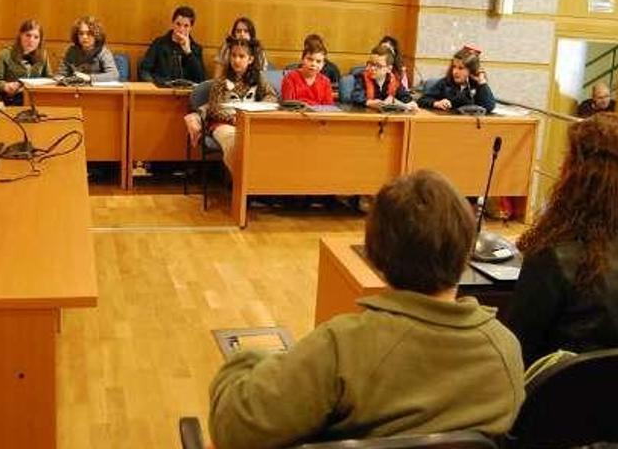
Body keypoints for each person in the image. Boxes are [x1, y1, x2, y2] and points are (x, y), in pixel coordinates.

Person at [208, 170, 524, 449]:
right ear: (468, 249)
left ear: (374, 255)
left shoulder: (343, 346)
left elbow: (233, 430)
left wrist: (245, 362)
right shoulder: (505, 351)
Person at [505, 112, 618, 367]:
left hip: (556, 404)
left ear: (580, 177)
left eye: (567, 160)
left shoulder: (554, 257)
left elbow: (515, 355)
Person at [205, 37, 277, 170]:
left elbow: (272, 96)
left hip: (249, 122)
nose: (236, 60)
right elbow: (213, 109)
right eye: (233, 56)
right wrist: (234, 119)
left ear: (250, 59)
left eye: (241, 56)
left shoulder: (258, 79)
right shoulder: (221, 81)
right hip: (225, 124)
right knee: (236, 143)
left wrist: (259, 108)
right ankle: (241, 183)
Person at [0, 19, 52, 105]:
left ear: (40, 40)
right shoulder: (4, 55)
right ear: (20, 36)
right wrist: (5, 86)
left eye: (36, 37)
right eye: (28, 35)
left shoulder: (43, 55)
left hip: (34, 101)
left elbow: (49, 78)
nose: (31, 40)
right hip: (9, 102)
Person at [417, 47, 495, 114]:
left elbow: (489, 107)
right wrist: (436, 103)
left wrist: (482, 82)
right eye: (454, 67)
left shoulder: (478, 87)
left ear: (471, 70)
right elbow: (422, 100)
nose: (455, 71)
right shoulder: (445, 83)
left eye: (460, 68)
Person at [138, 6, 205, 83]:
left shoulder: (196, 49)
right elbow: (144, 70)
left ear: (191, 28)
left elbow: (201, 79)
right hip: (162, 90)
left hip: (186, 92)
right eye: (178, 24)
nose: (181, 29)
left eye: (186, 26)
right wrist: (153, 86)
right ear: (173, 24)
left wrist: (188, 53)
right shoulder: (159, 44)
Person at [351, 44, 417, 111]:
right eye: (371, 64)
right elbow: (356, 97)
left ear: (389, 69)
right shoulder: (361, 77)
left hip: (388, 117)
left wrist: (411, 103)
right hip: (366, 115)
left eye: (378, 66)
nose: (373, 68)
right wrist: (368, 103)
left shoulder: (394, 80)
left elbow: (404, 96)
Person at [57, 16, 119, 83]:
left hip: (96, 91)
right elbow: (61, 74)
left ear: (97, 35)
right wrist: (61, 79)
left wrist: (90, 78)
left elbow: (114, 75)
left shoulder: (103, 52)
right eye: (81, 33)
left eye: (89, 33)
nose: (84, 37)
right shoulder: (71, 51)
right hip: (75, 90)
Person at [280, 38, 334, 105]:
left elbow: (328, 108)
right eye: (310, 59)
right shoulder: (290, 78)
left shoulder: (326, 82)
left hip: (318, 115)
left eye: (318, 61)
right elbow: (288, 105)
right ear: (302, 60)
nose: (313, 64)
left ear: (323, 65)